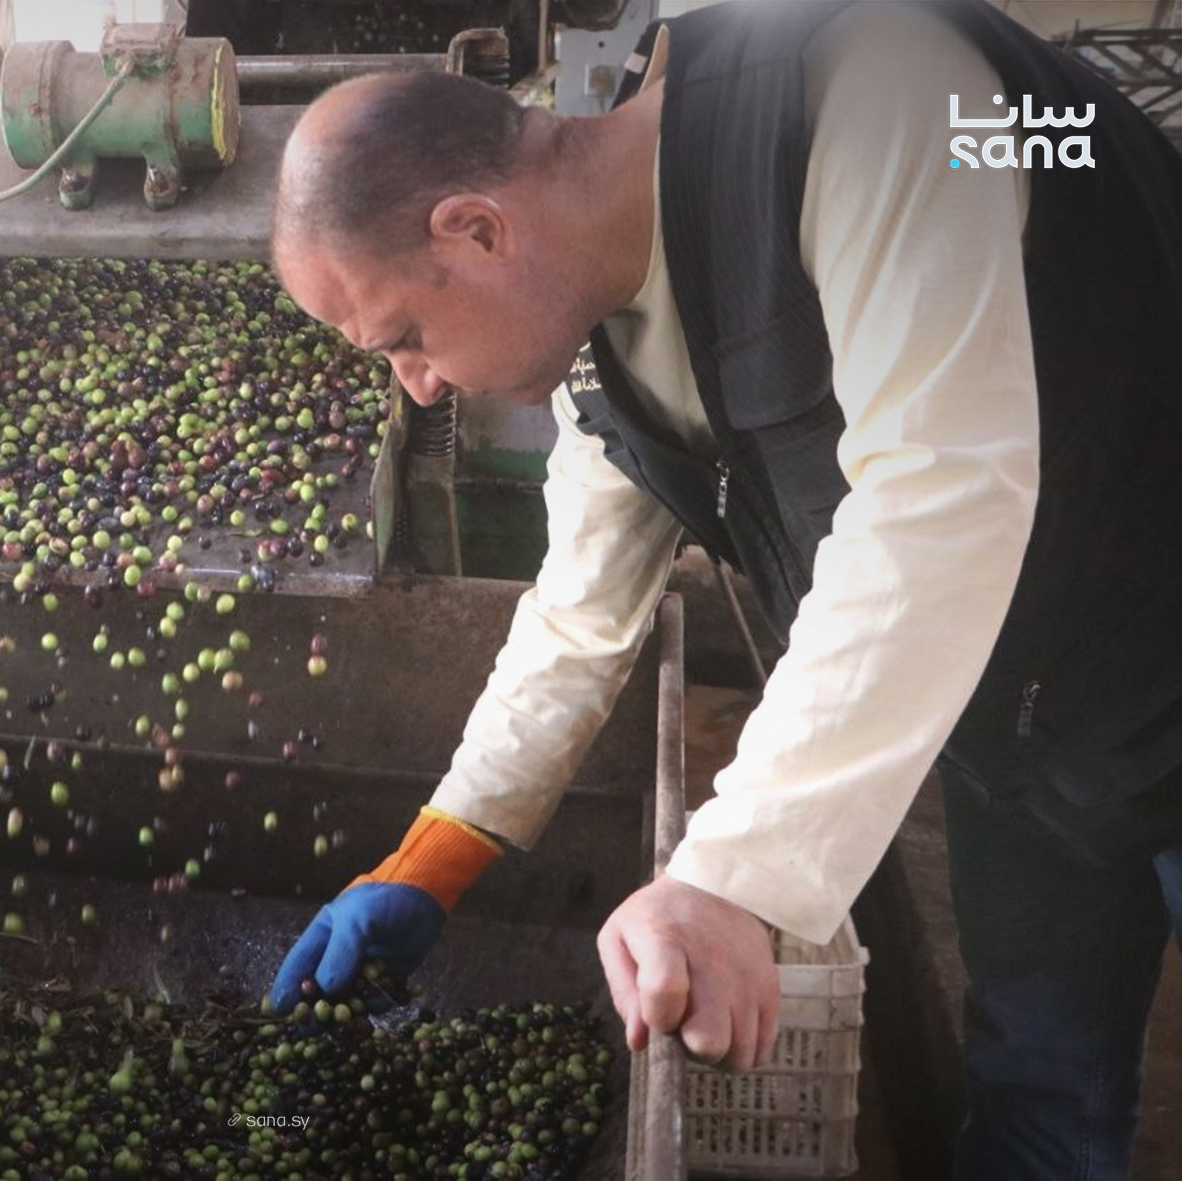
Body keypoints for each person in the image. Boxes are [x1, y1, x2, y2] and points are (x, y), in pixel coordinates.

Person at [264, 2, 1182, 1176]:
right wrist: (432, 858)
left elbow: (937, 496)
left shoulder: (872, 93)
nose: (419, 385)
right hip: (1020, 728)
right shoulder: (602, 335)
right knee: (1038, 1083)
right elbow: (578, 615)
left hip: (1153, 650)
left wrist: (729, 877)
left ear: (475, 230)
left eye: (402, 335)